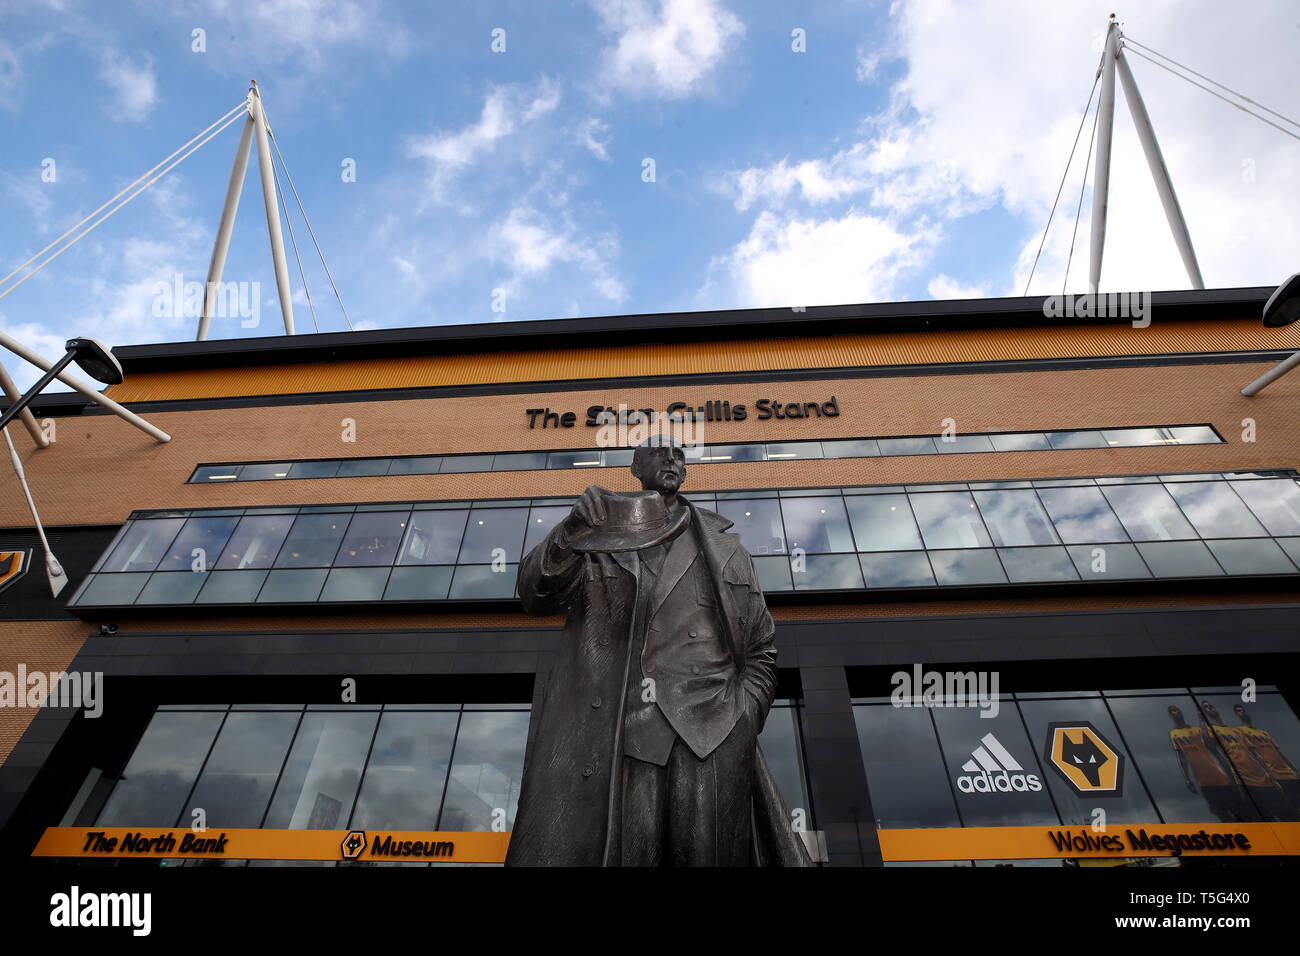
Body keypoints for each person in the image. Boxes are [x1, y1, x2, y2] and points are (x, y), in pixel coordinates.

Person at [505, 434, 809, 866]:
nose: (671, 459)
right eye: (657, 453)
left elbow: (761, 647)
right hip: (628, 731)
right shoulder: (598, 534)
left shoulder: (726, 547)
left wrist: (744, 716)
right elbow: (536, 594)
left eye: (679, 455)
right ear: (634, 469)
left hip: (713, 728)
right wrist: (571, 529)